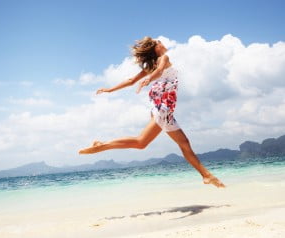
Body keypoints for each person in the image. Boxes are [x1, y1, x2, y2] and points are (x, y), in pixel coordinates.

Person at [79, 37, 225, 188]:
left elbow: (131, 81)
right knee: (141, 142)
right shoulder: (163, 58)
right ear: (156, 48)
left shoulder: (151, 66)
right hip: (163, 109)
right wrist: (149, 80)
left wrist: (110, 89)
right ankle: (102, 145)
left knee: (183, 143)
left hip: (165, 112)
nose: (162, 43)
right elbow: (159, 70)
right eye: (159, 42)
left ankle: (206, 176)